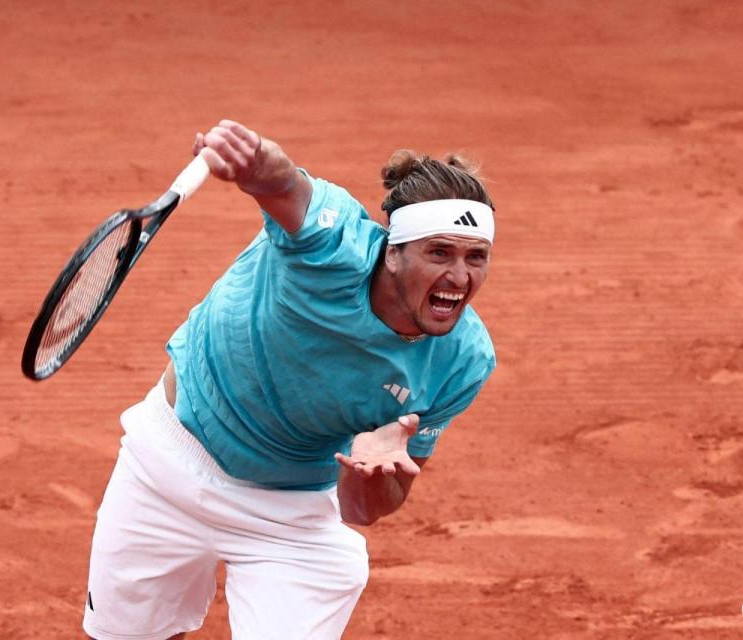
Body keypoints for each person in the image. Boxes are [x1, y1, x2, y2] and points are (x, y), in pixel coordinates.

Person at [82, 120, 497, 640]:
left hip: (291, 512)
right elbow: (283, 183)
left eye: (476, 257)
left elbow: (361, 510)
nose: (459, 276)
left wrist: (372, 475)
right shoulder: (332, 243)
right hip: (169, 461)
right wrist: (254, 159)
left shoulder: (463, 361)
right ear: (393, 252)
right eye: (439, 252)